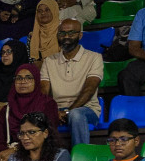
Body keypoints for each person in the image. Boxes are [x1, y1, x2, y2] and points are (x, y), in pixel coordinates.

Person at [0, 61, 60, 161]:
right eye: (19, 78)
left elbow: (49, 136)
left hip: (37, 153)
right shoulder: (7, 109)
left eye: (28, 78)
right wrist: (1, 155)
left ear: (36, 80)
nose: (23, 81)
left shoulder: (47, 104)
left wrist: (15, 151)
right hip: (8, 154)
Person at [43, 18, 104, 149]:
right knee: (37, 115)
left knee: (76, 115)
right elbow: (44, 92)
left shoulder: (94, 58)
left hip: (86, 109)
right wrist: (53, 111)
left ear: (80, 35)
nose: (66, 37)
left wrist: (68, 112)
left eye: (71, 33)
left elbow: (89, 89)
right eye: (62, 33)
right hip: (57, 110)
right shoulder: (49, 61)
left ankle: (81, 156)